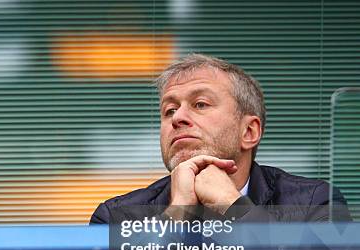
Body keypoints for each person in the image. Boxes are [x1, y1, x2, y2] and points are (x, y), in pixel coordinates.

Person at [90, 54, 350, 224]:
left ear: (249, 132)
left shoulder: (314, 204)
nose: (177, 117)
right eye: (169, 110)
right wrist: (176, 213)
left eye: (200, 104)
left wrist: (232, 205)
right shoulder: (117, 217)